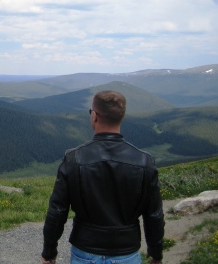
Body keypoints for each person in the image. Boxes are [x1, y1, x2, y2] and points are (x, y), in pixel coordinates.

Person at [41, 90, 165, 264]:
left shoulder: (74, 159)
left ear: (95, 116)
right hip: (126, 252)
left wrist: (49, 252)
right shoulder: (145, 162)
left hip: (85, 251)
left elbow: (57, 211)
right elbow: (154, 215)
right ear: (121, 117)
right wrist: (156, 253)